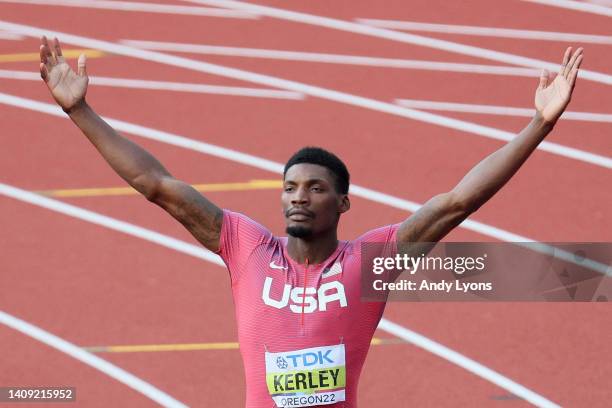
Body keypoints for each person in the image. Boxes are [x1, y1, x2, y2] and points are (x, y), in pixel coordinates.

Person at [39, 36, 583, 407]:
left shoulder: (372, 260)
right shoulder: (246, 247)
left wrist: (538, 123)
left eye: (316, 188)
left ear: (343, 203)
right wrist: (78, 110)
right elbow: (156, 185)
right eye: (290, 187)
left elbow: (457, 201)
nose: (298, 197)